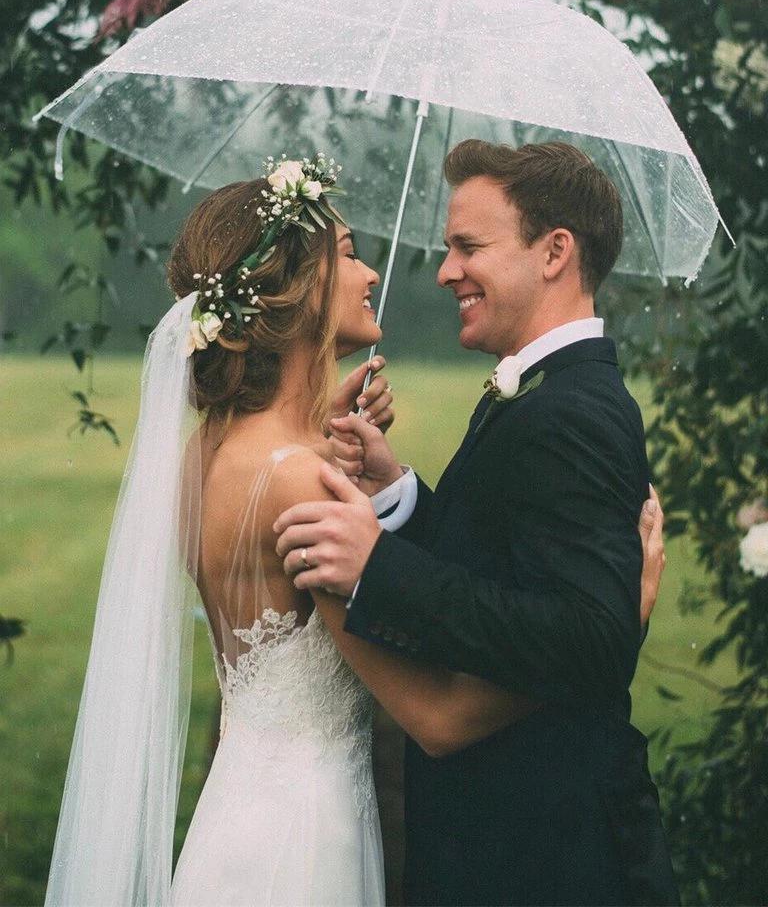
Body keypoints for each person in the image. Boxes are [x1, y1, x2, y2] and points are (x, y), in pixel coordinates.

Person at [44, 152, 665, 907]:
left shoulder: (207, 454)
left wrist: (371, 477)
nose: (376, 273)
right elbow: (438, 716)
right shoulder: (304, 479)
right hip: (305, 845)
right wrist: (620, 625)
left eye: (467, 247)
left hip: (237, 816)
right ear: (298, 286)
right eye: (348, 253)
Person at [274, 140, 679, 906]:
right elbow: (504, 567)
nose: (445, 270)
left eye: (469, 247)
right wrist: (396, 494)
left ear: (554, 251)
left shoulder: (574, 412)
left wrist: (378, 567)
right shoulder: (542, 392)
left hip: (545, 862)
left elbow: (591, 637)